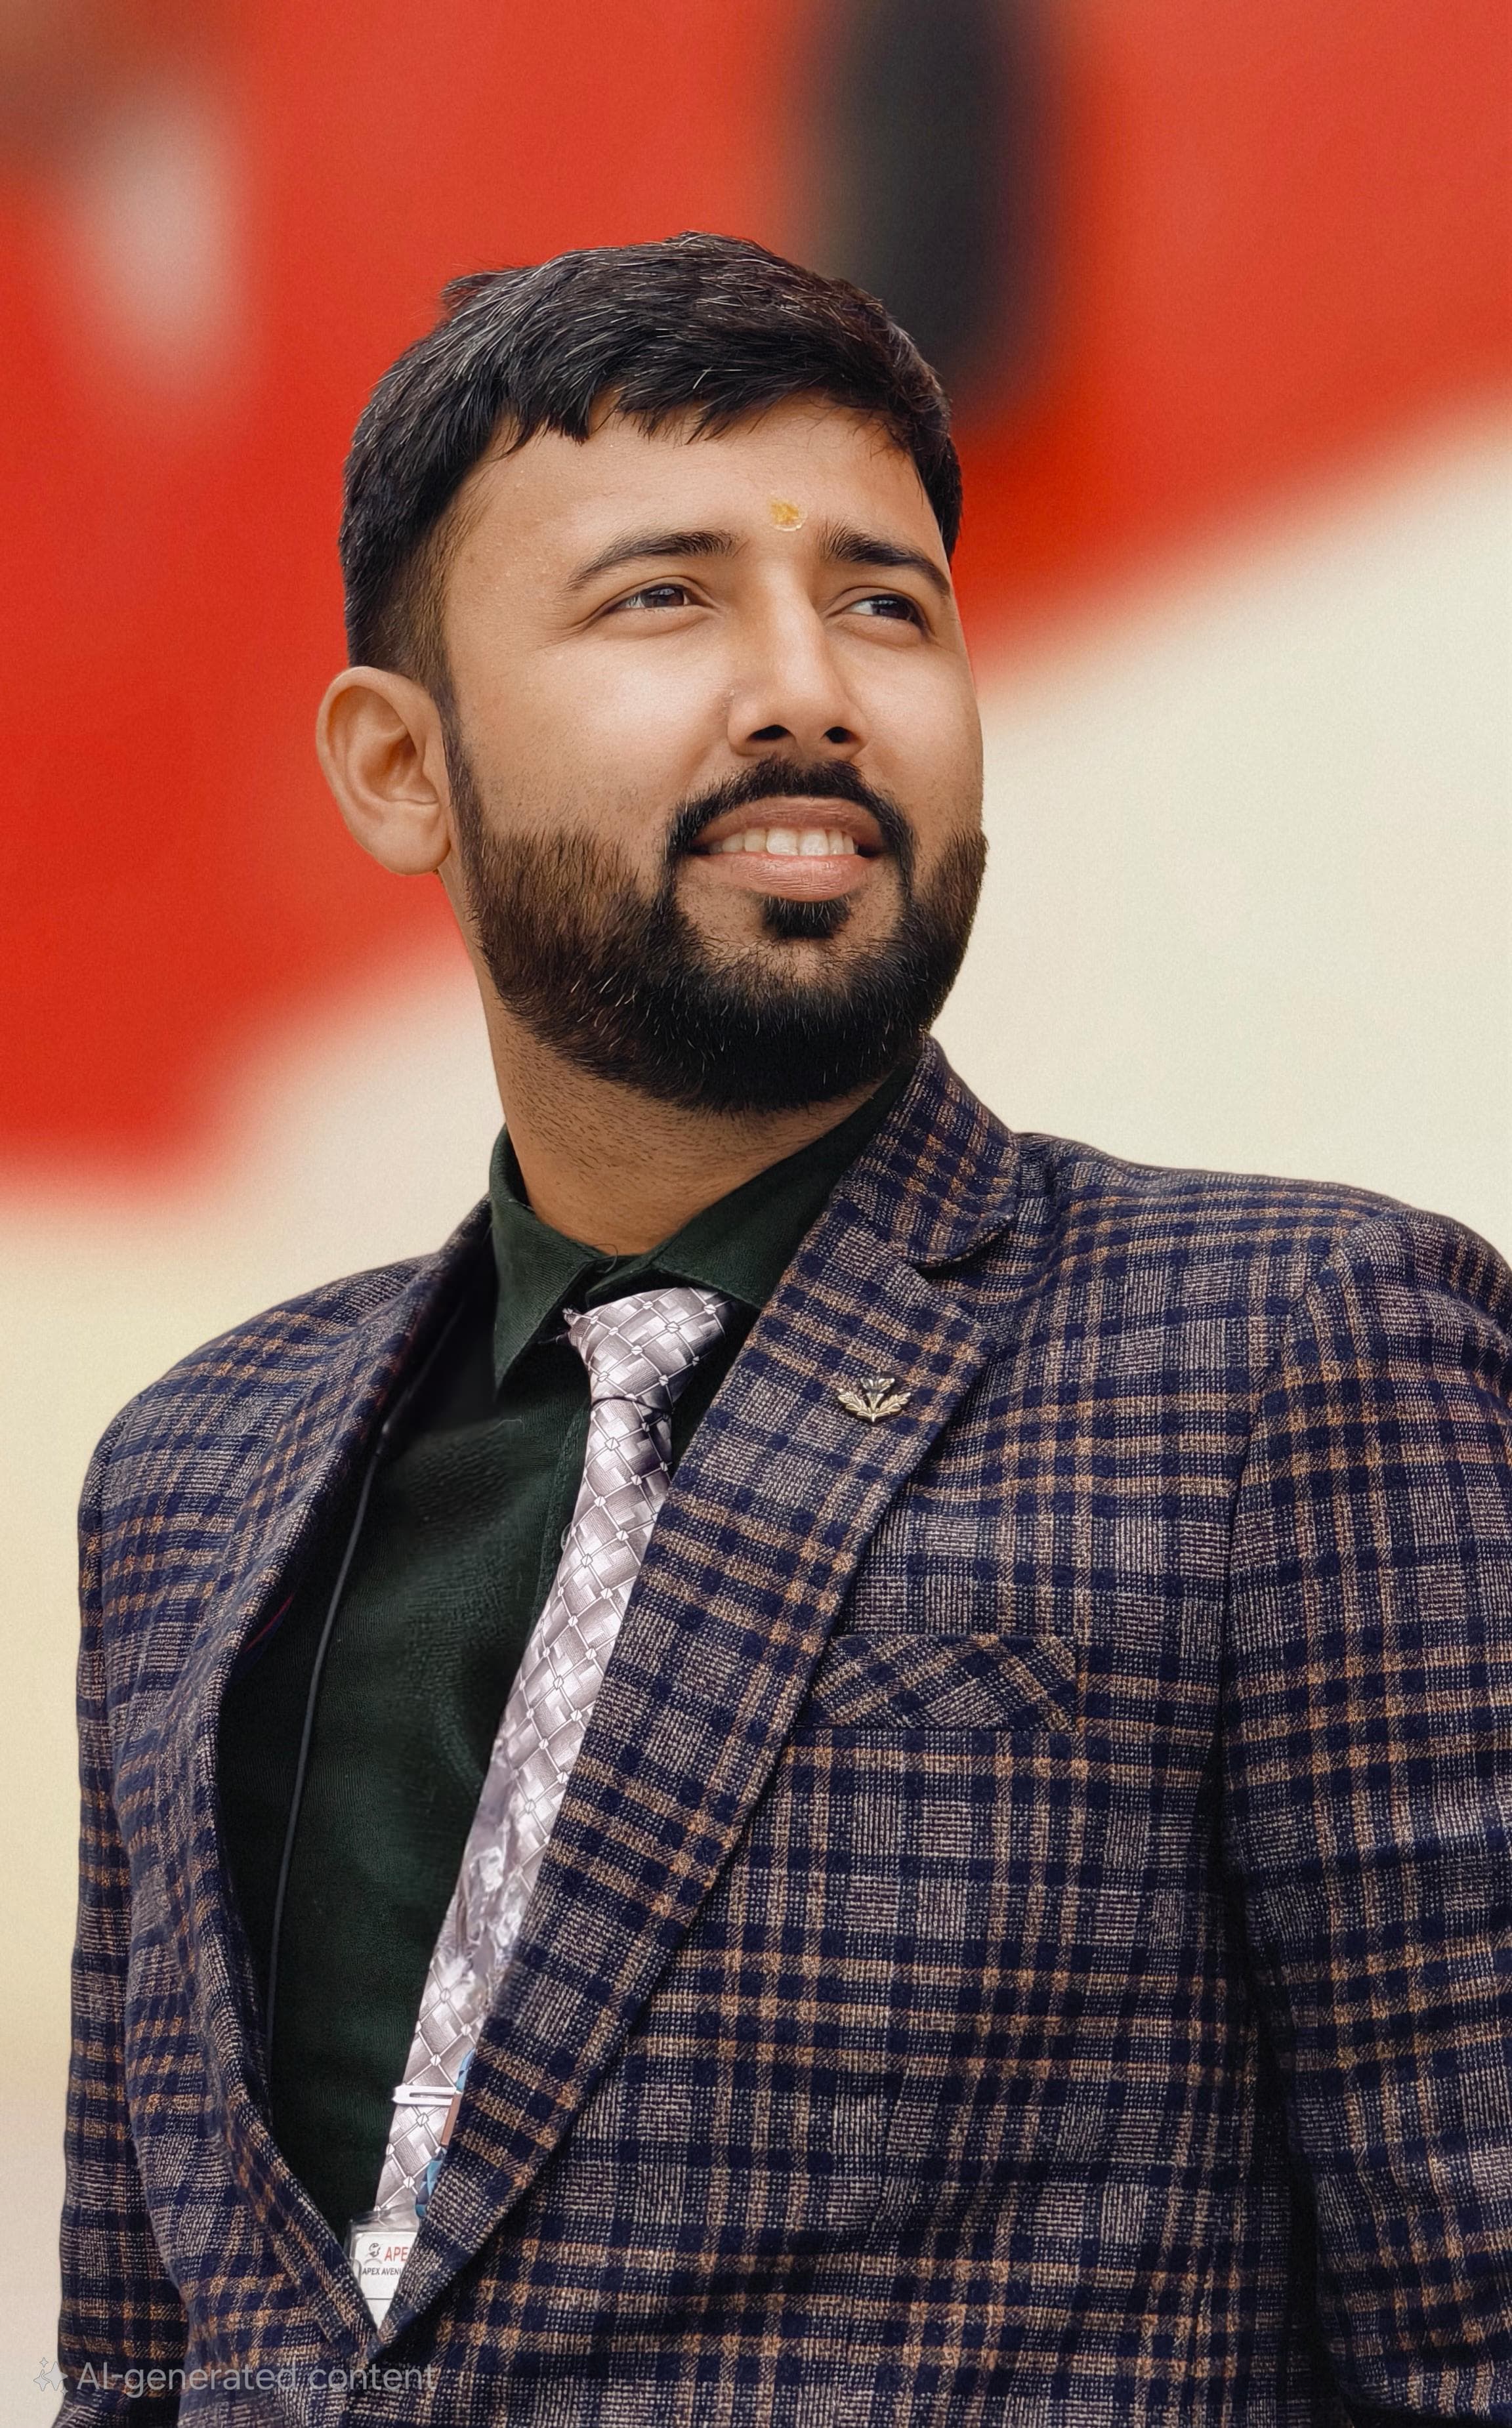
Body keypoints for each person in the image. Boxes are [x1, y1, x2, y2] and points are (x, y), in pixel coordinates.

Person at [56, 232, 1512, 2427]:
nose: (809, 689)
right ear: (398, 767)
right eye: (664, 596)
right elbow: (138, 2352)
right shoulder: (192, 1472)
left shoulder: (1299, 1354)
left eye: (886, 602)